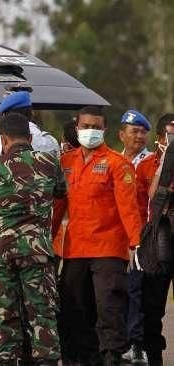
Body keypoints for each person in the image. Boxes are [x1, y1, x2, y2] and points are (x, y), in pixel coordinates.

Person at [0, 90, 60, 365]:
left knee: (6, 314)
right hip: (37, 251)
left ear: (3, 140)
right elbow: (61, 190)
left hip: (2, 253)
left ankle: (9, 359)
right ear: (30, 137)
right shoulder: (50, 160)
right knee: (42, 312)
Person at [53, 106, 143, 366]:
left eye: (96, 127)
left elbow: (129, 208)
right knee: (72, 309)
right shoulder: (66, 163)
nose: (90, 131)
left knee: (108, 310)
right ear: (77, 128)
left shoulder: (118, 163)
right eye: (86, 127)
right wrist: (47, 238)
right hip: (74, 250)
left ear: (104, 130)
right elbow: (58, 206)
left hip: (108, 249)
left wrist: (136, 243)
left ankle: (112, 358)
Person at [138, 113, 174, 366]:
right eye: (171, 135)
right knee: (152, 309)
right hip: (157, 245)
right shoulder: (147, 166)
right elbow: (141, 208)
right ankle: (154, 358)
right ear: (160, 138)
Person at [117, 109, 151, 365]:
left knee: (135, 290)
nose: (139, 137)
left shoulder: (151, 162)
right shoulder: (113, 160)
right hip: (112, 237)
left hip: (140, 238)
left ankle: (136, 345)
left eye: (143, 132)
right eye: (134, 131)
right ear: (121, 135)